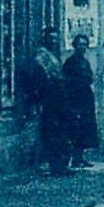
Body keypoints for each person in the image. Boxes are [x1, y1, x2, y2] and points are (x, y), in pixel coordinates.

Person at [27, 29, 69, 176]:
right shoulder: (41, 58)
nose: (54, 42)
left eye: (56, 39)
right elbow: (41, 81)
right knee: (53, 133)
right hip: (50, 101)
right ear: (45, 40)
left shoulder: (52, 57)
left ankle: (60, 166)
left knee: (59, 133)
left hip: (57, 100)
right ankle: (56, 166)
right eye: (51, 39)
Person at [61, 33, 98, 170]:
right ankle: (73, 158)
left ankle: (80, 157)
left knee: (84, 129)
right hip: (75, 100)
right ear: (75, 46)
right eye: (79, 44)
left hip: (85, 99)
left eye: (84, 44)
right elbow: (67, 82)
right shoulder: (71, 62)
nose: (82, 47)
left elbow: (89, 78)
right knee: (75, 129)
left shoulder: (85, 61)